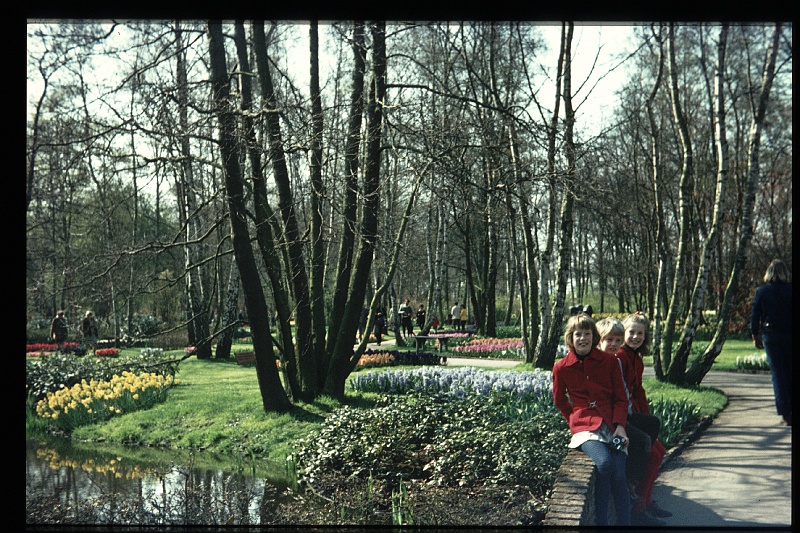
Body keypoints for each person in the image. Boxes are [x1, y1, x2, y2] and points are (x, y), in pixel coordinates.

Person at [552, 313, 631, 526]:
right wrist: (575, 420)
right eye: (578, 334)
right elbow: (560, 400)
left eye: (587, 334)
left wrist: (621, 427)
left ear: (593, 337)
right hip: (585, 428)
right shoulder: (561, 367)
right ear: (571, 337)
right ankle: (602, 523)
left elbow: (621, 398)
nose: (583, 339)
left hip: (613, 425)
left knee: (619, 476)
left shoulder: (609, 361)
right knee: (604, 464)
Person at [599, 315, 670, 524]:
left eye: (640, 333)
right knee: (653, 453)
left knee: (658, 451)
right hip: (619, 417)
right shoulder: (620, 356)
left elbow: (637, 391)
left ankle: (646, 501)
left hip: (630, 413)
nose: (636, 336)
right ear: (624, 334)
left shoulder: (635, 358)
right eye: (631, 332)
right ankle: (639, 506)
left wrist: (645, 417)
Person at [750, 259, 792, 426]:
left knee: (778, 374)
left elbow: (755, 314)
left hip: (771, 334)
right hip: (789, 334)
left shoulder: (762, 291)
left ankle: (785, 412)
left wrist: (755, 335)